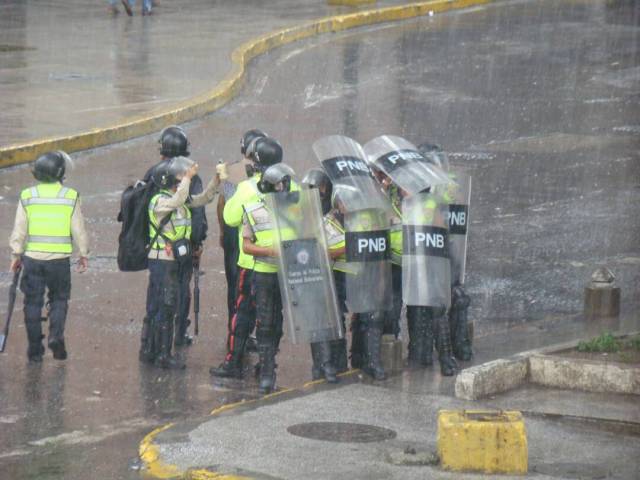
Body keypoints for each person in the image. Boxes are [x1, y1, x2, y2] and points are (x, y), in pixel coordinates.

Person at [9, 151, 89, 362]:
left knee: (32, 302)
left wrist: (16, 254)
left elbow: (19, 229)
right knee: (59, 299)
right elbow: (78, 228)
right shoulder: (70, 196)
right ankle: (56, 335)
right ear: (60, 173)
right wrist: (83, 253)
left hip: (33, 259)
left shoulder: (27, 196)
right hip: (59, 261)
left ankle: (35, 349)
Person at [145, 157, 219, 369]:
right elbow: (178, 200)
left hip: (175, 261)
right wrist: (187, 177)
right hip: (163, 262)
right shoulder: (159, 202)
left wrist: (216, 180)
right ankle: (162, 355)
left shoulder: (179, 199)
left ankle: (157, 351)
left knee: (169, 306)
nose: (181, 181)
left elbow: (203, 198)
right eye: (178, 178)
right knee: (166, 307)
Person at [209, 129, 269, 379]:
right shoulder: (271, 173)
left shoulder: (232, 172)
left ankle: (234, 340)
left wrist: (223, 233)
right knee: (259, 296)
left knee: (237, 291)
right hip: (261, 240)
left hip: (238, 236)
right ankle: (254, 344)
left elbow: (224, 208)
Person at [143, 126, 208, 348]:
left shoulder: (153, 173)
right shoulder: (188, 175)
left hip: (156, 248)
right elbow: (197, 211)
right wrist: (197, 242)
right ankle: (178, 335)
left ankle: (149, 341)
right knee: (180, 290)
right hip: (182, 249)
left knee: (156, 291)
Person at [242, 160, 295, 394]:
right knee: (265, 321)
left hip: (286, 274)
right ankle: (265, 371)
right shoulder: (253, 210)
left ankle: (270, 359)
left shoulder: (293, 210)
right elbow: (246, 247)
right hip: (264, 273)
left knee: (279, 321)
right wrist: (269, 251)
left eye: (286, 184)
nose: (285, 188)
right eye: (282, 184)